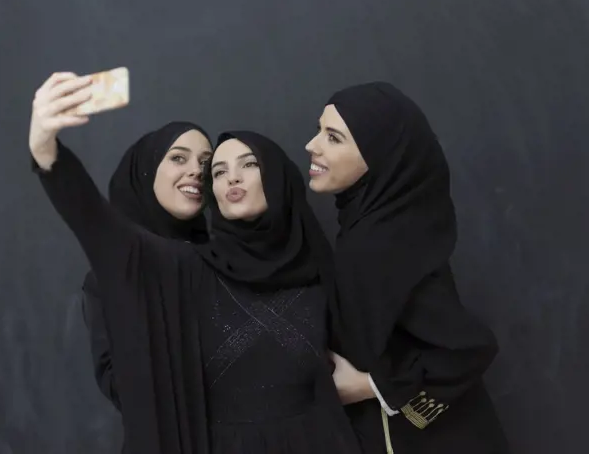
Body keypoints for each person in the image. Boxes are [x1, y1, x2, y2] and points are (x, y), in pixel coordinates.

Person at [28, 71, 359, 454]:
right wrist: (48, 154)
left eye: (248, 164)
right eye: (219, 171)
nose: (228, 177)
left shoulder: (321, 267)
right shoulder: (186, 267)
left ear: (278, 176)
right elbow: (100, 230)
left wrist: (372, 388)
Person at [305, 82, 510, 453]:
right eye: (319, 130)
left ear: (377, 157)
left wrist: (373, 386)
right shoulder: (372, 229)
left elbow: (469, 347)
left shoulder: (379, 244)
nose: (312, 145)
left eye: (334, 137)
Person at [80, 121, 211, 414]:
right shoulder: (114, 275)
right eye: (178, 157)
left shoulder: (226, 261)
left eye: (206, 162)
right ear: (146, 171)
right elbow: (122, 389)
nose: (197, 170)